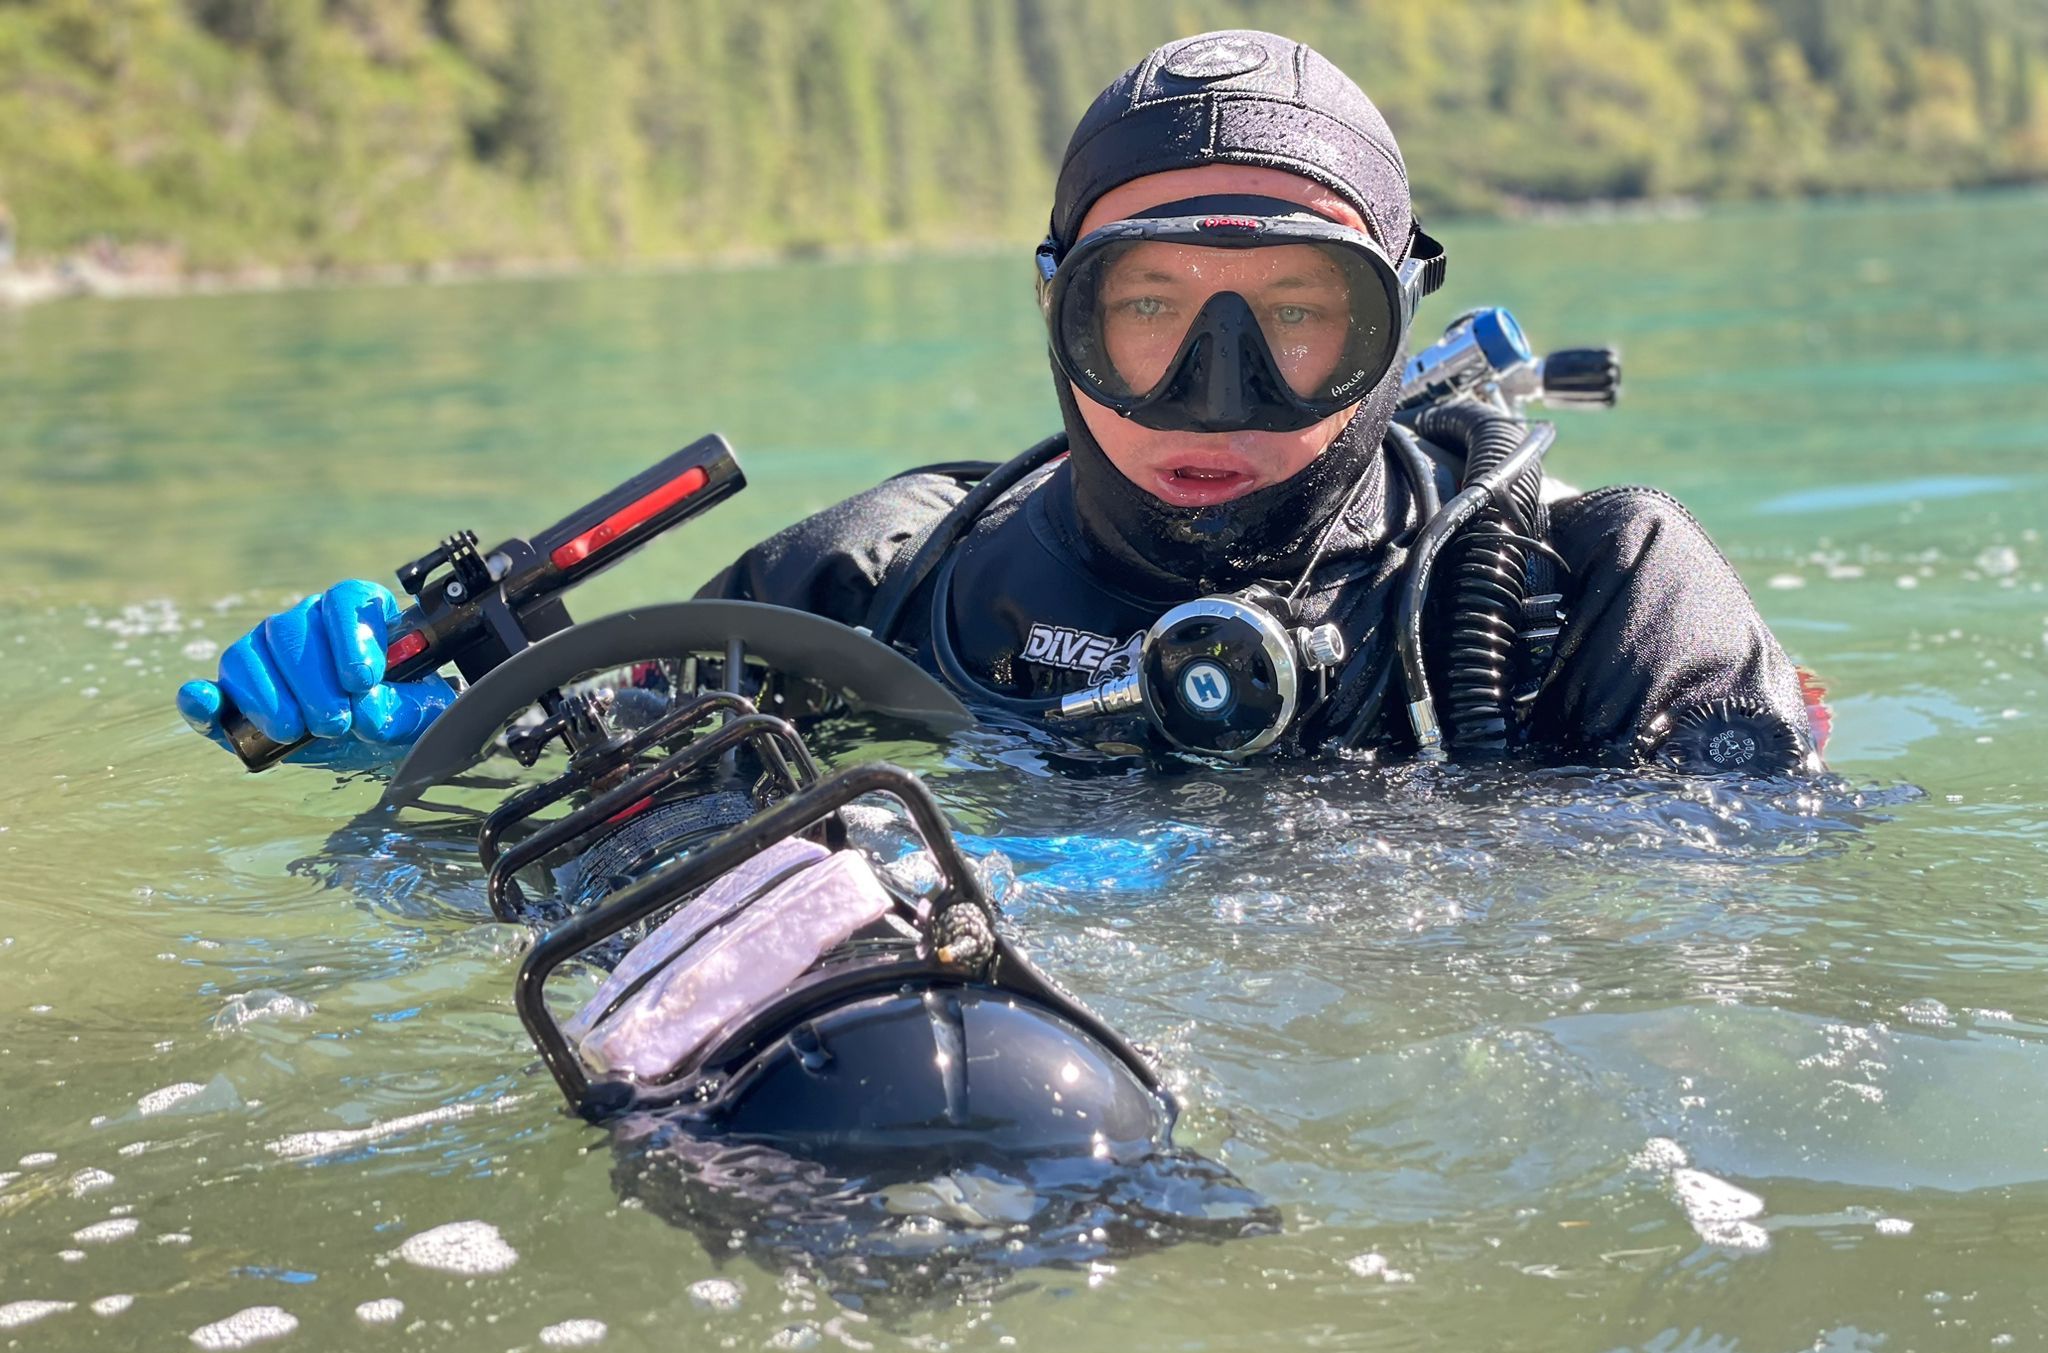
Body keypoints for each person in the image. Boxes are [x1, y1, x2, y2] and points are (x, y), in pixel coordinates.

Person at [177, 29, 1817, 777]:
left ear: (1396, 328)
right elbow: (574, 773)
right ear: (1060, 315)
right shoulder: (877, 589)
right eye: (1150, 310)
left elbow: (1735, 956)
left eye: (1298, 320)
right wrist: (396, 744)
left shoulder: (1590, 596)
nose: (1214, 394)